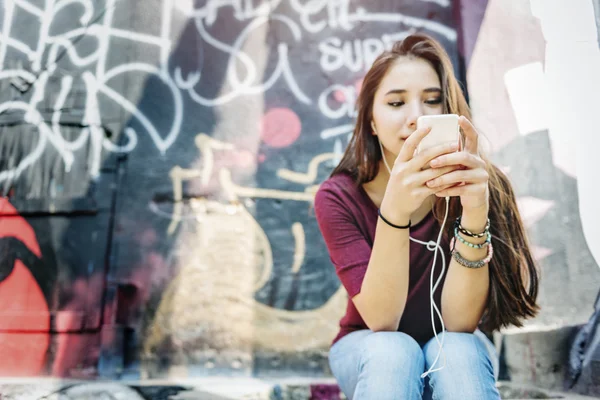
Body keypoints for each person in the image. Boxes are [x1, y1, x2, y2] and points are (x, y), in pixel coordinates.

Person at [313, 33, 540, 399]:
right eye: (396, 102)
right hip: (367, 347)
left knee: (458, 349)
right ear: (371, 121)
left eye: (432, 101)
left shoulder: (480, 185)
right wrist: (395, 210)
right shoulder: (338, 197)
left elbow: (459, 324)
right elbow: (382, 321)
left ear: (450, 111)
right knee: (395, 349)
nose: (416, 117)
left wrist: (475, 210)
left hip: (455, 346)